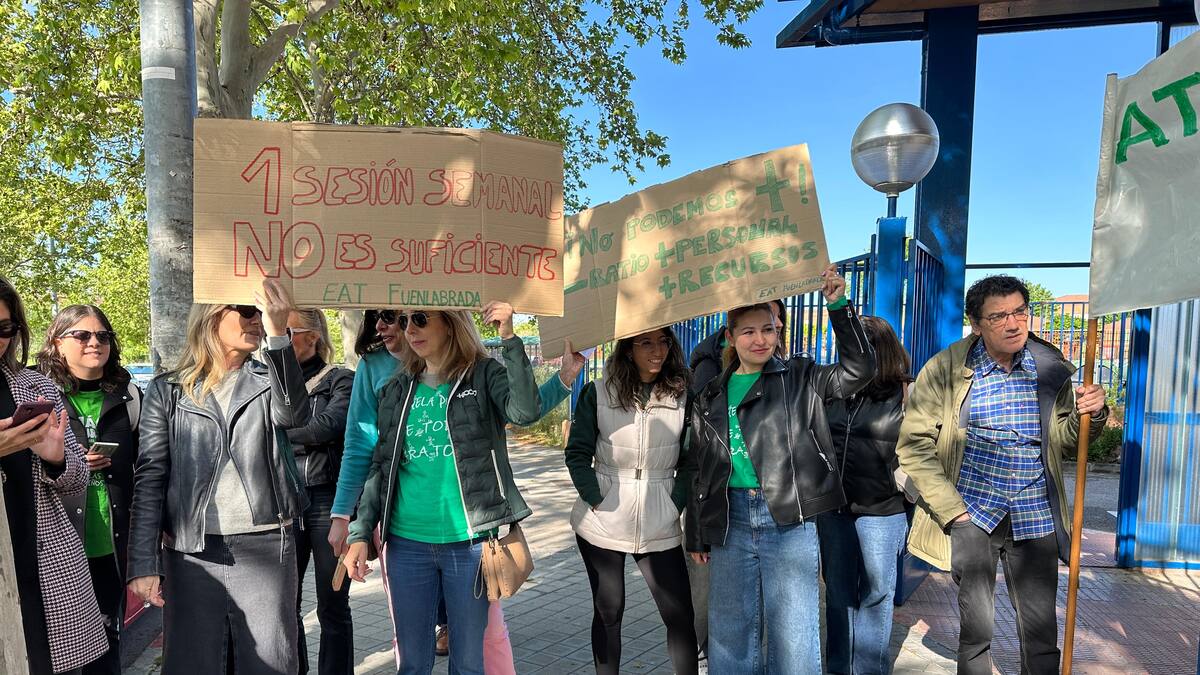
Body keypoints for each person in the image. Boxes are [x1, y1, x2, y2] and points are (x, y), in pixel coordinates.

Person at [326, 308, 584, 671]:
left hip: (470, 544)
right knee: (413, 663)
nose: (409, 329)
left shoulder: (482, 374)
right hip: (405, 545)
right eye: (403, 322)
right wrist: (359, 533)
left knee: (467, 662)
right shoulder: (397, 387)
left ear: (449, 323)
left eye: (419, 319)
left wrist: (510, 338)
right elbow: (380, 466)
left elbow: (524, 412)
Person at [897, 275, 1108, 675]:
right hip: (972, 512)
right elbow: (913, 445)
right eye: (998, 317)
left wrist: (1092, 415)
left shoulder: (1050, 368)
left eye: (1020, 312)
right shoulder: (946, 369)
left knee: (1041, 628)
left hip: (1034, 513)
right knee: (976, 630)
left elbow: (1064, 439)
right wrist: (953, 512)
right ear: (976, 324)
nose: (1013, 324)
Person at [685, 265, 875, 675]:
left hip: (788, 519)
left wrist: (839, 306)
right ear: (730, 337)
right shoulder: (712, 392)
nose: (760, 339)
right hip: (730, 520)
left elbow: (859, 371)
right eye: (749, 331)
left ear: (778, 332)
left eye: (768, 329)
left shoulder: (801, 377)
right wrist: (698, 531)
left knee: (794, 635)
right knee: (730, 634)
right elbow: (703, 468)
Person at [127, 280, 311, 675]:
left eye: (260, 313)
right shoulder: (169, 390)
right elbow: (151, 477)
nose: (257, 320)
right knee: (192, 663)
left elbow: (296, 417)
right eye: (247, 310)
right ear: (212, 315)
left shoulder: (269, 380)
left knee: (272, 663)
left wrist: (279, 336)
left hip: (266, 543)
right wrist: (143, 561)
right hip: (192, 551)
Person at [565, 327, 698, 675]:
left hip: (659, 517)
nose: (658, 351)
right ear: (627, 349)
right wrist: (597, 499)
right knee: (609, 609)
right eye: (646, 343)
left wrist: (675, 503)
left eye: (664, 341)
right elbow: (576, 454)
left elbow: (690, 460)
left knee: (679, 614)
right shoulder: (598, 392)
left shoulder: (682, 394)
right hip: (603, 518)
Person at [0, 277, 108, 674]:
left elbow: (77, 481)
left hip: (41, 569)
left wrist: (57, 459)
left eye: (4, 329)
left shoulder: (35, 386)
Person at [36, 305, 143, 675]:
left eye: (103, 335)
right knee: (57, 651)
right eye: (81, 335)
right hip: (55, 547)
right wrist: (65, 461)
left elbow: (146, 469)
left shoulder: (130, 395)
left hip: (110, 542)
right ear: (57, 343)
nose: (94, 342)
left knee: (107, 642)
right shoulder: (36, 393)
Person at [817, 316, 913, 675]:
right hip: (835, 509)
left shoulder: (904, 392)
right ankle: (839, 669)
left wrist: (905, 489)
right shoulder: (833, 388)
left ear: (879, 349)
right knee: (838, 597)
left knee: (875, 597)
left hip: (882, 511)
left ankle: (871, 670)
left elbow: (924, 448)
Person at [285, 309, 355, 675]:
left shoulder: (341, 378)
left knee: (332, 603)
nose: (275, 336)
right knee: (285, 605)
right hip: (281, 500)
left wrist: (275, 436)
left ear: (313, 336)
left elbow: (327, 427)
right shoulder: (268, 381)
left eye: (287, 329)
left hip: (327, 500)